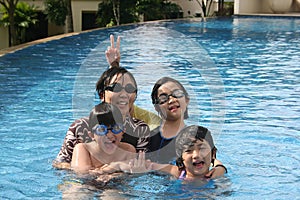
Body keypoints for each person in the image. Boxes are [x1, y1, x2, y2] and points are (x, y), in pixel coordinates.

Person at [53, 66, 151, 169]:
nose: (124, 94)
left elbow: (139, 168)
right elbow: (59, 164)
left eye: (130, 89)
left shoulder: (140, 129)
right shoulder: (80, 127)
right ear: (101, 95)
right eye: (115, 88)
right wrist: (95, 172)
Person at [98, 125, 227, 180]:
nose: (196, 155)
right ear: (180, 157)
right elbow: (149, 166)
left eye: (202, 148)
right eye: (188, 150)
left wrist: (220, 166)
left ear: (212, 152)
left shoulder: (216, 176)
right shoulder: (178, 173)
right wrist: (116, 166)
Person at [71, 102, 136, 173]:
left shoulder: (128, 150)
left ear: (123, 131)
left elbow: (129, 177)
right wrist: (112, 168)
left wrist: (115, 168)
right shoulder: (83, 149)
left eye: (116, 128)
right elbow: (81, 175)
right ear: (92, 135)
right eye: (101, 130)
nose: (109, 135)